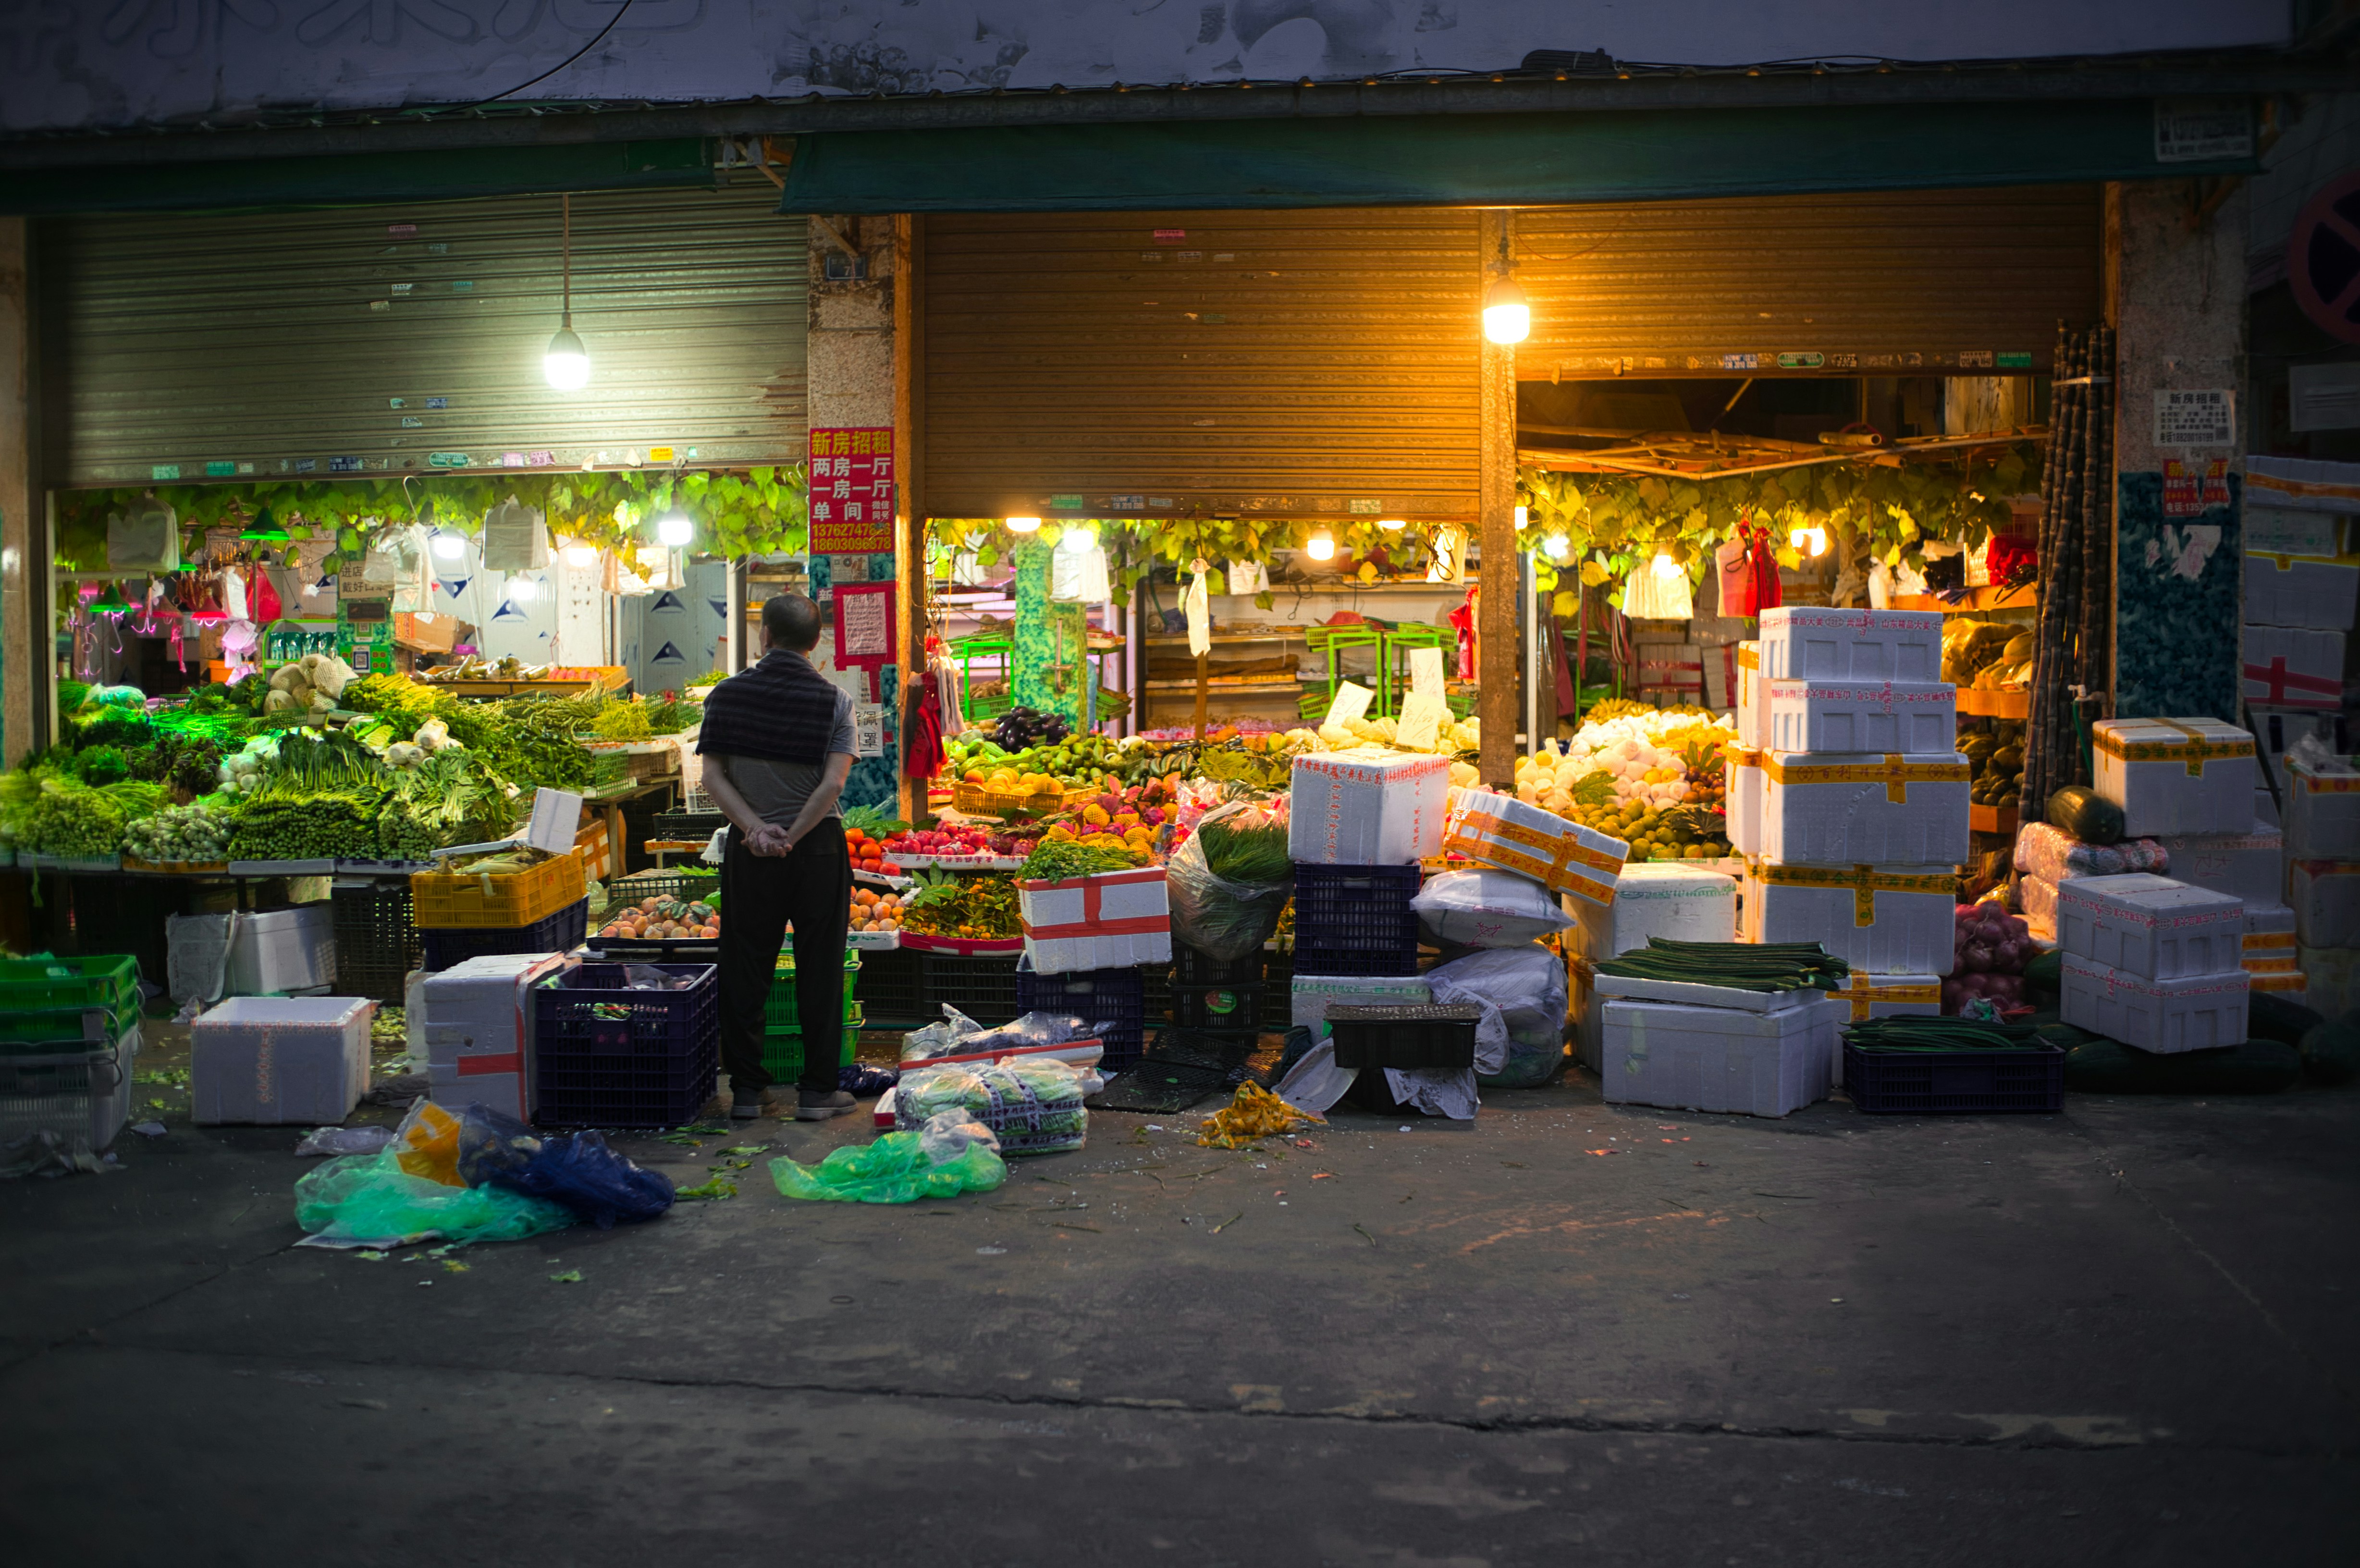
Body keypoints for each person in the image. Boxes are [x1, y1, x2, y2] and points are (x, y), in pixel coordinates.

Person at [697, 593, 860, 1122]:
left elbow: (713, 776)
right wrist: (791, 833)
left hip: (750, 849)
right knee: (820, 968)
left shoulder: (726, 695)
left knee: (745, 968)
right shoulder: (835, 701)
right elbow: (833, 783)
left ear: (764, 635)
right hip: (817, 850)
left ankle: (747, 1091)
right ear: (816, 644)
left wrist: (756, 831)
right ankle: (816, 1092)